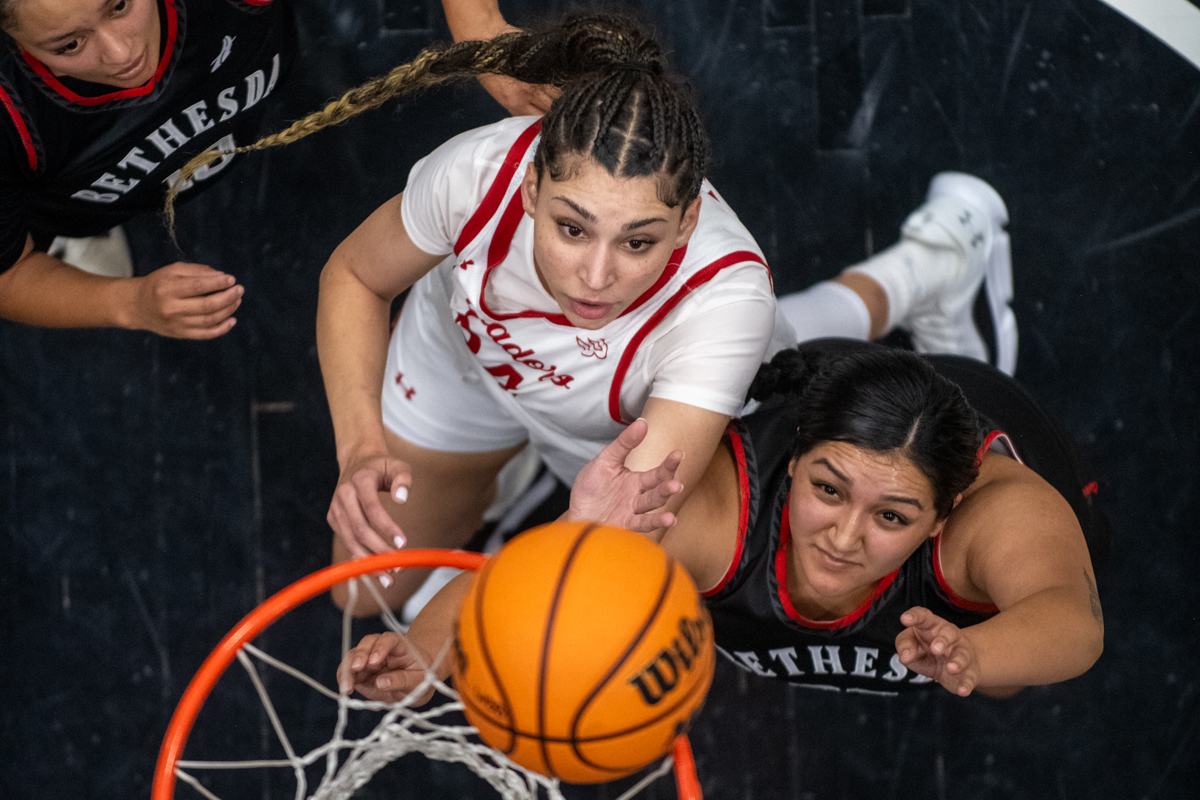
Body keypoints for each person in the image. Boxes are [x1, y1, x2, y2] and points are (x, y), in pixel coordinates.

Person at [338, 342, 1104, 699]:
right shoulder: (709, 515)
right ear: (798, 459)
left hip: (986, 412)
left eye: (893, 517)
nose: (844, 537)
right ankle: (895, 289)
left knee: (1005, 681)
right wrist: (423, 648)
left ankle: (934, 301)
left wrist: (973, 656)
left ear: (943, 517)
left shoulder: (998, 515)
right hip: (834, 385)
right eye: (828, 491)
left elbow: (1072, 622)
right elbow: (553, 564)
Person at [0, 0, 296, 338]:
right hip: (71, 210)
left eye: (119, 6)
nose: (122, 54)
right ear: (15, 42)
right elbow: (8, 274)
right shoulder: (10, 109)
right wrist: (130, 302)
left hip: (262, 132)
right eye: (70, 45)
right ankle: (74, 246)